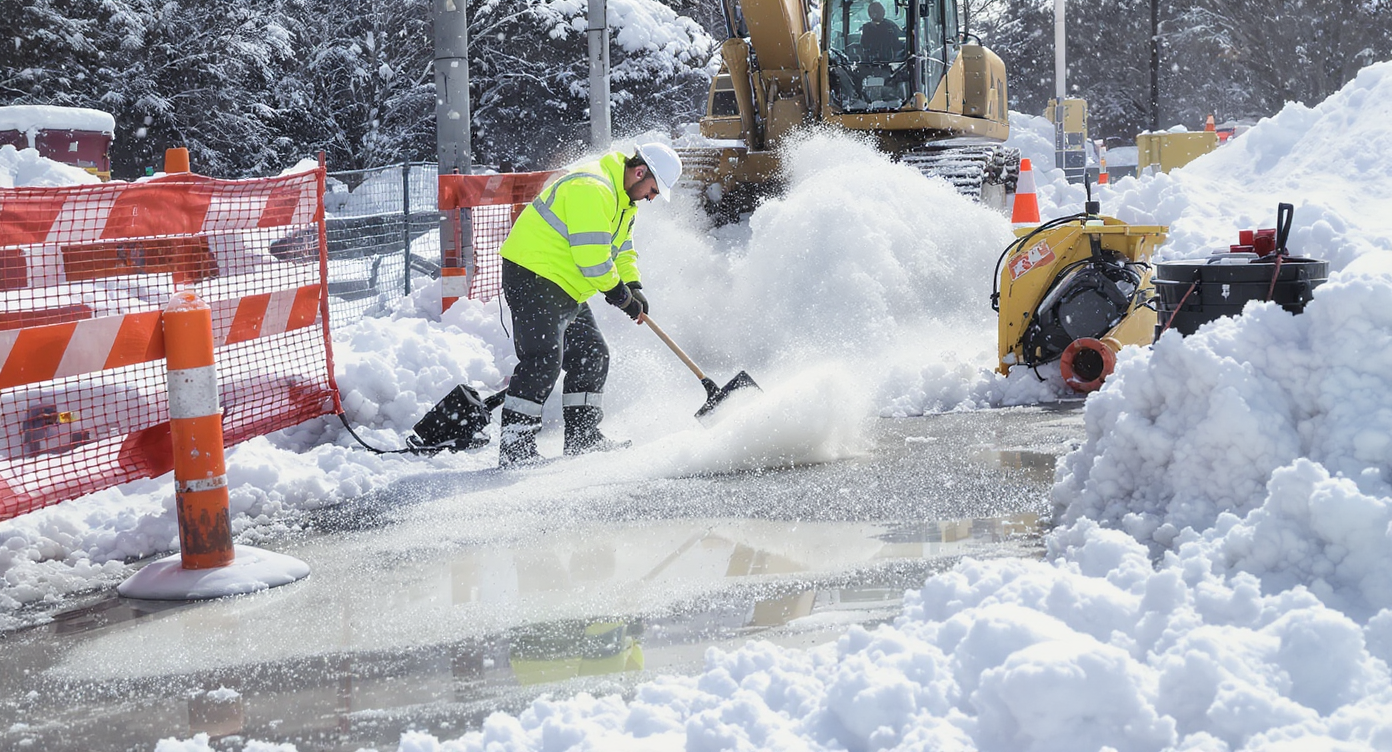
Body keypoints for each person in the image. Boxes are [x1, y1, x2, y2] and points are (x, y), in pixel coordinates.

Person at [494, 142, 683, 467]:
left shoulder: (625, 202)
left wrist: (634, 286)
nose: (651, 198)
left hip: (564, 285)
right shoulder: (592, 187)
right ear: (640, 172)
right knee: (542, 360)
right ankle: (515, 449)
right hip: (534, 274)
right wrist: (622, 298)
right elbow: (593, 260)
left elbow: (621, 249)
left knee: (591, 354)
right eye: (653, 190)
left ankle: (584, 438)